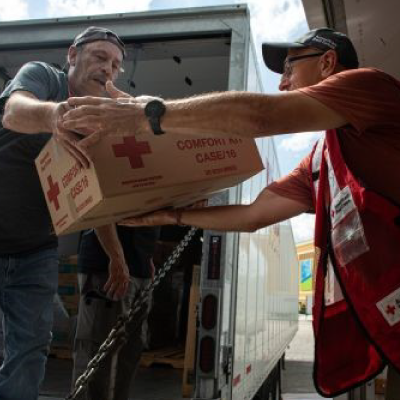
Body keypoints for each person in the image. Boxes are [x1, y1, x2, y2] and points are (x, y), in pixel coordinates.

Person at [62, 28, 400, 399]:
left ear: (327, 62)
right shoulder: (320, 163)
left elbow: (260, 116)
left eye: (289, 69)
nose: (284, 84)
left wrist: (148, 114)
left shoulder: (368, 86)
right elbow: (254, 215)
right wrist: (174, 216)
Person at [0, 26, 130, 400]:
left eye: (116, 65)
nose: (109, 69)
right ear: (73, 55)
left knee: (29, 350)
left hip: (37, 251)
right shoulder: (43, 77)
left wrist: (116, 258)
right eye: (100, 57)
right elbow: (14, 111)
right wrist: (57, 116)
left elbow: (94, 195)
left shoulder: (104, 120)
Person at [72, 225, 159, 400]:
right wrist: (116, 257)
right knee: (97, 356)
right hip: (108, 267)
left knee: (128, 354)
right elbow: (101, 211)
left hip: (138, 267)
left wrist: (146, 255)